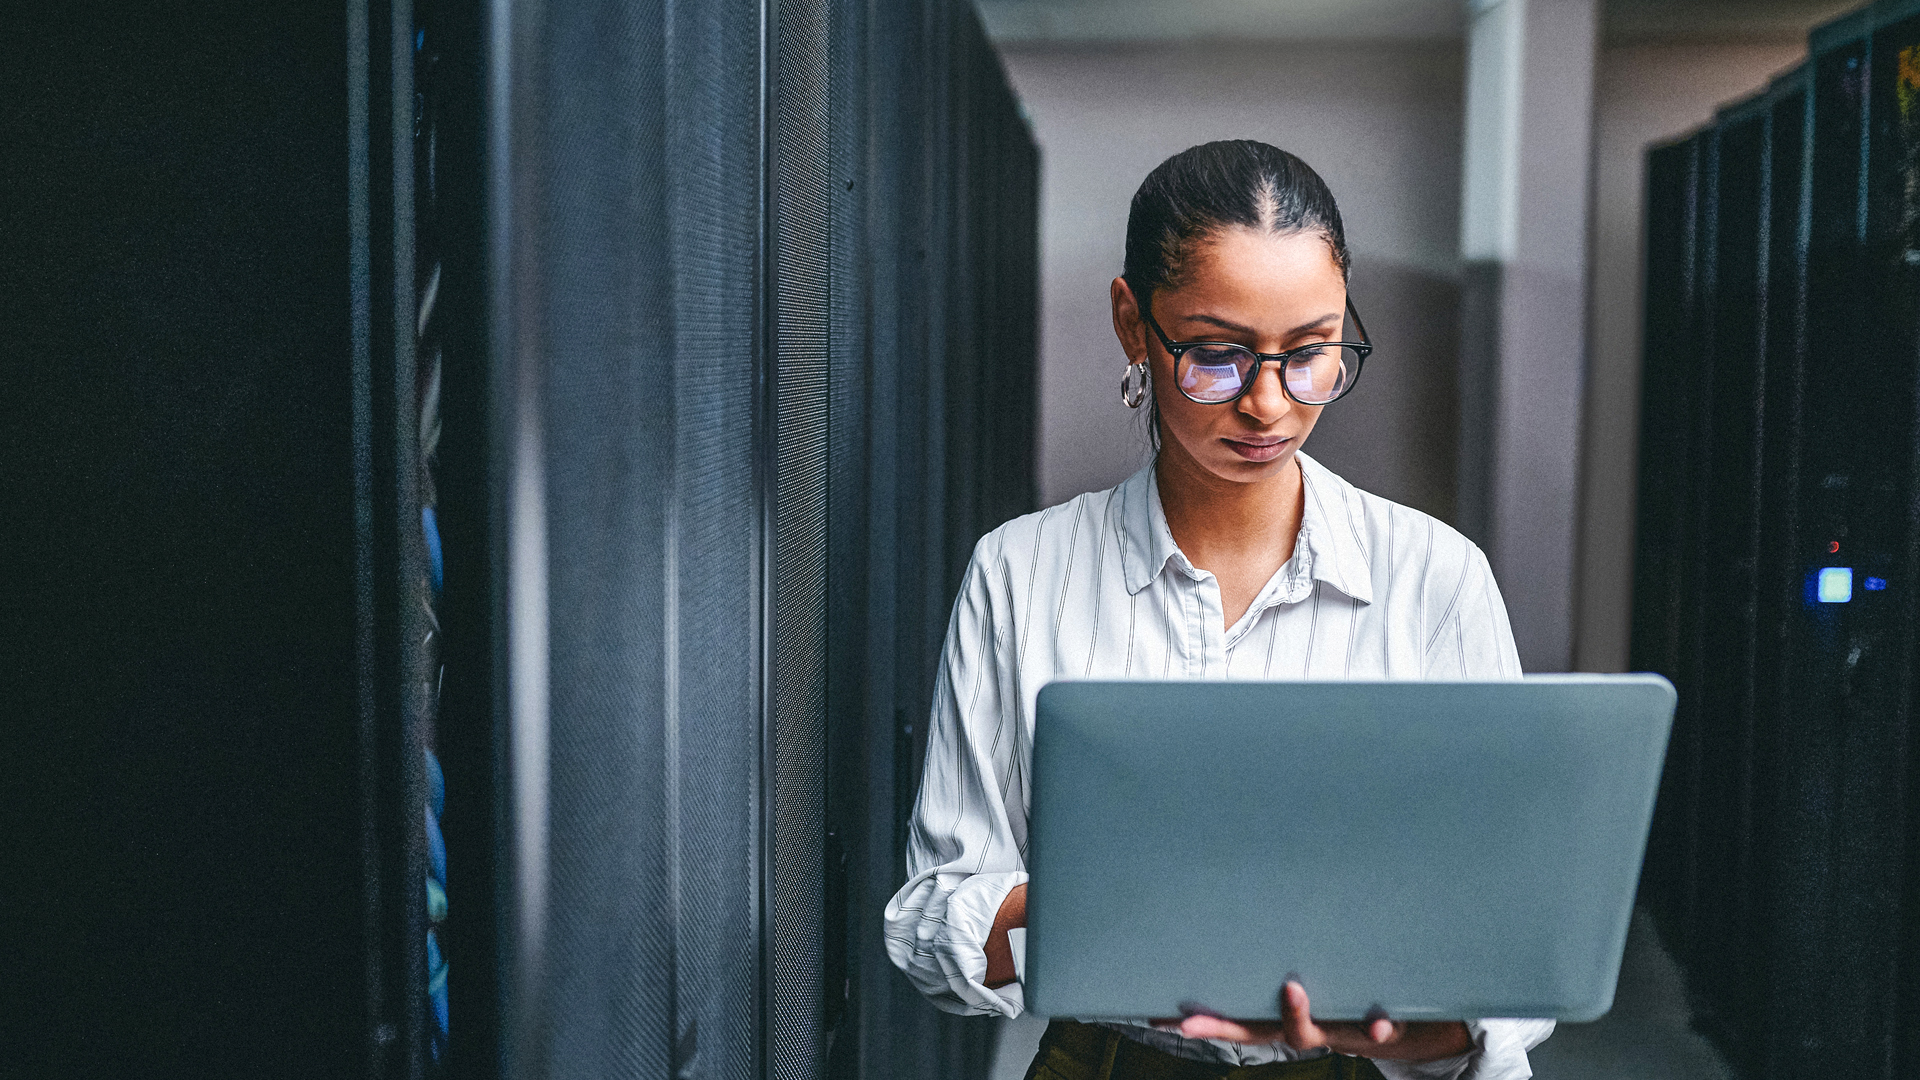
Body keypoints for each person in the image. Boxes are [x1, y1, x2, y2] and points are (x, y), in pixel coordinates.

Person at [882, 140, 1554, 1080]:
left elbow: (1508, 951)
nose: (1269, 404)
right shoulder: (1021, 573)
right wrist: (1096, 903)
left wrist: (1404, 1030)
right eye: (1217, 355)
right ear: (1133, 323)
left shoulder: (1436, 579)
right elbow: (929, 923)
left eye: (1311, 352)